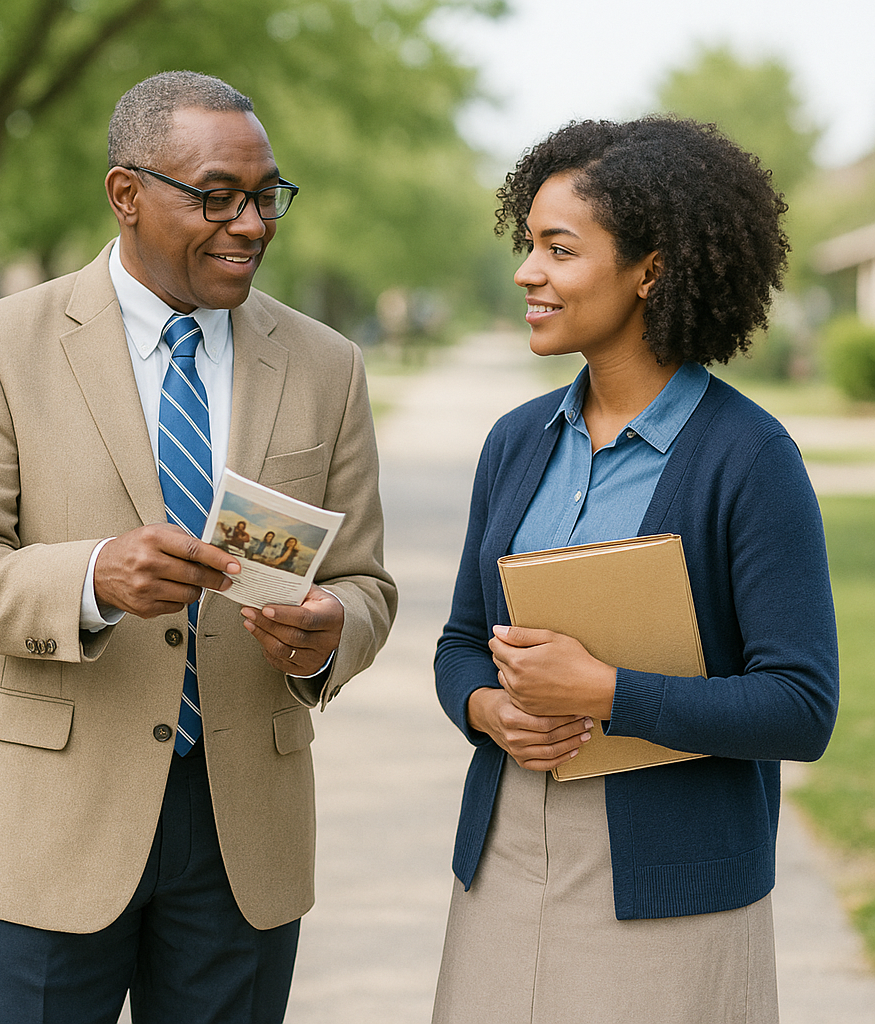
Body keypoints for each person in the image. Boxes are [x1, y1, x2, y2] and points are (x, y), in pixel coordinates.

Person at [0, 70, 396, 1024]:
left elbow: (365, 580)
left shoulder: (328, 365)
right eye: (216, 197)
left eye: (264, 196)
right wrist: (92, 578)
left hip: (244, 833)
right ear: (126, 194)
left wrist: (333, 632)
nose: (251, 223)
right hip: (51, 828)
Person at [432, 118, 838, 1024]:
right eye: (527, 244)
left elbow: (801, 707)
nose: (526, 272)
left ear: (650, 270)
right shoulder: (515, 443)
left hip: (671, 889)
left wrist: (608, 691)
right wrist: (488, 709)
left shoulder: (748, 456)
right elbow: (461, 642)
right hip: (503, 864)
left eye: (558, 249)